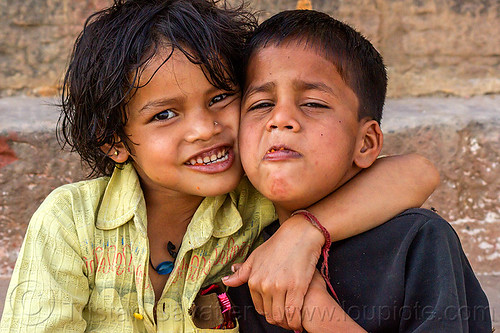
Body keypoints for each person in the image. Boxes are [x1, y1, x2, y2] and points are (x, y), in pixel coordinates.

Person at [0, 1, 439, 332]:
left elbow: (418, 173)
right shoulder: (71, 223)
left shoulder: (263, 201)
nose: (205, 129)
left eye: (219, 99)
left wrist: (304, 231)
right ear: (114, 141)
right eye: (165, 115)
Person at [226, 9, 492, 333]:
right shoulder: (238, 248)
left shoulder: (417, 242)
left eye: (312, 103)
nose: (280, 118)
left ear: (365, 142)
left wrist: (318, 313)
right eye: (261, 105)